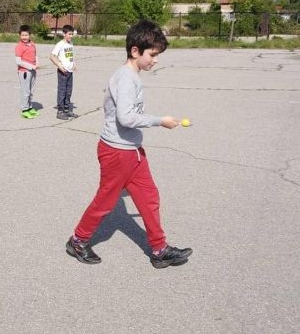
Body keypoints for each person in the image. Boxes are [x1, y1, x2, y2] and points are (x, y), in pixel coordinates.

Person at [66, 20, 192, 268]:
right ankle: (78, 241)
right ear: (135, 51)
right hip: (117, 152)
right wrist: (160, 121)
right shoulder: (126, 78)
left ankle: (159, 250)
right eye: (152, 54)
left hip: (132, 151)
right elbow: (126, 117)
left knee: (149, 197)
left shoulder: (131, 76)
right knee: (105, 201)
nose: (156, 60)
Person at [50, 24, 77, 120]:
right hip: (63, 72)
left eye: (72, 34)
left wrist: (73, 63)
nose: (71, 36)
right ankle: (60, 111)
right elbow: (52, 56)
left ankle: (66, 109)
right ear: (64, 34)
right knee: (62, 91)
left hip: (70, 71)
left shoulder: (71, 43)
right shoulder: (60, 44)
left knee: (69, 91)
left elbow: (70, 56)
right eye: (69, 34)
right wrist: (59, 65)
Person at [15, 25, 39, 118]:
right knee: (25, 91)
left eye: (26, 35)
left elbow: (35, 55)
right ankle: (25, 110)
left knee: (31, 91)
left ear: (30, 35)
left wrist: (37, 63)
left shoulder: (32, 44)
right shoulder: (19, 46)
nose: (24, 37)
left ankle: (30, 107)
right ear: (20, 35)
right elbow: (18, 61)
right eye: (22, 35)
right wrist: (31, 66)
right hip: (24, 72)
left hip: (33, 71)